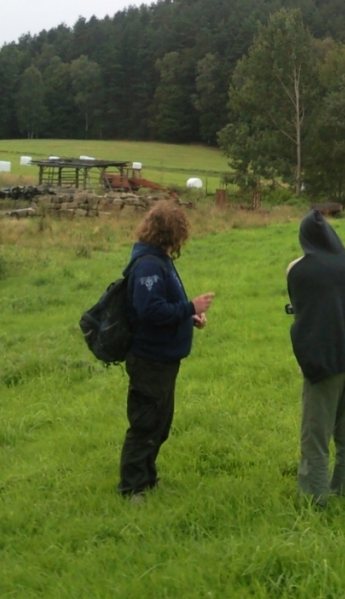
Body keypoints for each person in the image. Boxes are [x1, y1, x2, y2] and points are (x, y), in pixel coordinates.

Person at [119, 201, 214, 501]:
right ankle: (132, 488)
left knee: (159, 424)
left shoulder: (159, 260)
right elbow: (149, 311)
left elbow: (163, 306)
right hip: (150, 358)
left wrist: (189, 316)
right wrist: (190, 306)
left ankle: (147, 479)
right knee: (146, 423)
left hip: (164, 358)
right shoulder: (148, 265)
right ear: (172, 233)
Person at [286, 210, 345, 506]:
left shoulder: (298, 269)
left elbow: (302, 311)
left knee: (315, 434)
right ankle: (344, 492)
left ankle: (314, 498)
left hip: (325, 359)